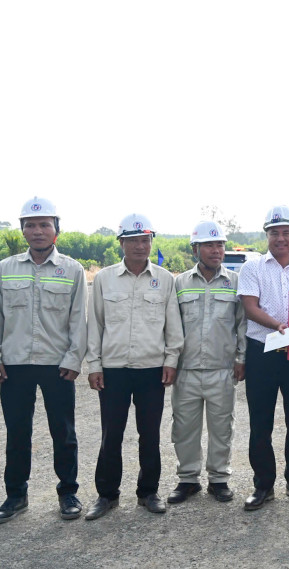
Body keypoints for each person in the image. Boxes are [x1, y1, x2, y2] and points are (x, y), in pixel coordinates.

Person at [84, 213, 184, 520]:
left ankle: (148, 492)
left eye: (146, 240)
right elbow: (95, 326)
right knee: (111, 434)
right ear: (121, 243)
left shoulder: (165, 279)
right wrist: (94, 364)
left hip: (152, 369)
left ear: (151, 242)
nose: (140, 246)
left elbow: (173, 327)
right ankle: (106, 495)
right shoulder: (103, 278)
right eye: (133, 240)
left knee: (149, 434)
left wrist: (170, 361)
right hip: (113, 369)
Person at [0, 197, 87, 523]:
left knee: (63, 432)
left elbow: (80, 320)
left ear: (56, 230)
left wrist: (74, 359)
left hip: (57, 364)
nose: (37, 231)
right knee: (17, 432)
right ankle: (15, 495)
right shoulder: (5, 269)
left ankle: (68, 493)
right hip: (14, 364)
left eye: (44, 225)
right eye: (31, 225)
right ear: (23, 231)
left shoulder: (72, 270)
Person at [237, 205, 289, 510]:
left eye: (286, 232)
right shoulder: (253, 269)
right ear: (267, 236)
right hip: (264, 352)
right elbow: (250, 308)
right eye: (274, 233)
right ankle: (263, 486)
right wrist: (278, 326)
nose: (280, 238)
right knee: (261, 422)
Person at [167, 221, 247, 505]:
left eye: (220, 245)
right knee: (184, 428)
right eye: (209, 245)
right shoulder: (179, 283)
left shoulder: (235, 282)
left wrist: (241, 358)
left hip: (222, 370)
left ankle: (219, 479)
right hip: (186, 371)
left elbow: (242, 324)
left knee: (222, 427)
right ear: (195, 249)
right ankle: (188, 479)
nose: (216, 251)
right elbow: (172, 326)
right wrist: (171, 362)